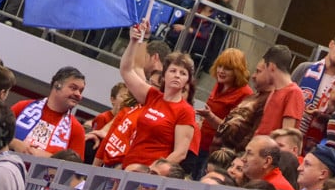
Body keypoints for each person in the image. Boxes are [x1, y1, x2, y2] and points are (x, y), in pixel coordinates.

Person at [119, 21, 197, 168]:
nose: (177, 76)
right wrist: (134, 41)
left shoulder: (185, 111)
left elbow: (180, 153)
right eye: (173, 71)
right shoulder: (152, 95)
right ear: (164, 75)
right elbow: (126, 70)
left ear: (187, 81)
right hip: (128, 166)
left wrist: (151, 172)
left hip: (148, 177)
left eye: (183, 73)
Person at [191, 49, 253, 178]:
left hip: (218, 152)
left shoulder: (245, 94)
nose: (221, 71)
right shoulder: (219, 84)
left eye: (227, 68)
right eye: (220, 66)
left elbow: (233, 130)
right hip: (201, 143)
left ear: (237, 71)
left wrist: (210, 116)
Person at [291, 32, 335, 149]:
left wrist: (323, 116)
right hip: (290, 129)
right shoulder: (305, 68)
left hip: (314, 142)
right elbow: (286, 95)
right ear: (331, 44)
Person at [10, 66, 86, 158]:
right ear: (57, 85)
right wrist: (15, 144)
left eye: (81, 91)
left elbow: (74, 167)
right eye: (73, 88)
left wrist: (45, 157)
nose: (78, 94)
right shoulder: (22, 107)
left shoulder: (76, 129)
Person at [254, 45, 305, 136]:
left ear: (271, 67)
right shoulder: (274, 91)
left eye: (265, 68)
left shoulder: (294, 93)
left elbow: (286, 136)